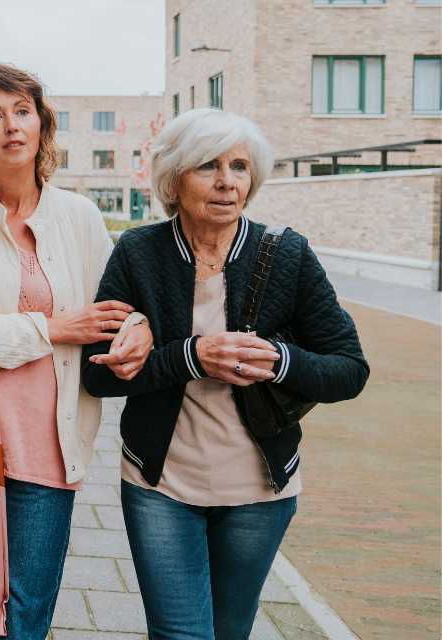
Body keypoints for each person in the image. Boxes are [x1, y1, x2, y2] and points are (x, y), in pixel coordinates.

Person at [81, 108, 369, 640]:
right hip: (159, 484)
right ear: (174, 178)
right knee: (181, 634)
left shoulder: (287, 255)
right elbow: (98, 376)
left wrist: (282, 361)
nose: (226, 181)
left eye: (239, 167)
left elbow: (350, 369)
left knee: (230, 632)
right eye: (207, 166)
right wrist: (191, 356)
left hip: (260, 491)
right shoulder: (139, 253)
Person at [0, 63, 153, 640]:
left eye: (22, 112)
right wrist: (52, 328)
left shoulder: (78, 216)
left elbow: (114, 308)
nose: (10, 126)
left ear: (42, 125)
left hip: (50, 448)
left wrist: (139, 329)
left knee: (25, 618)